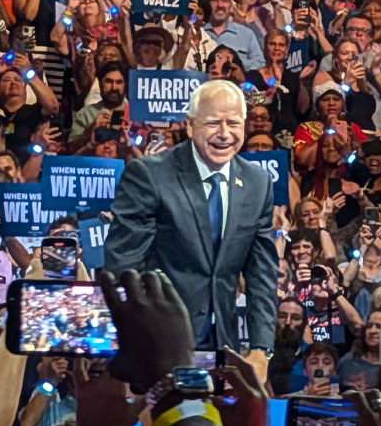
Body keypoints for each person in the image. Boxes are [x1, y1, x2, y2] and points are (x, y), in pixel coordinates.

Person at [105, 80, 279, 380]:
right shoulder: (149, 175)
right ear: (189, 125)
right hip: (157, 349)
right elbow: (123, 268)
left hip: (222, 348)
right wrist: (135, 345)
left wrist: (261, 349)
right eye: (213, 123)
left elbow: (261, 273)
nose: (224, 134)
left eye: (233, 123)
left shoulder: (258, 182)